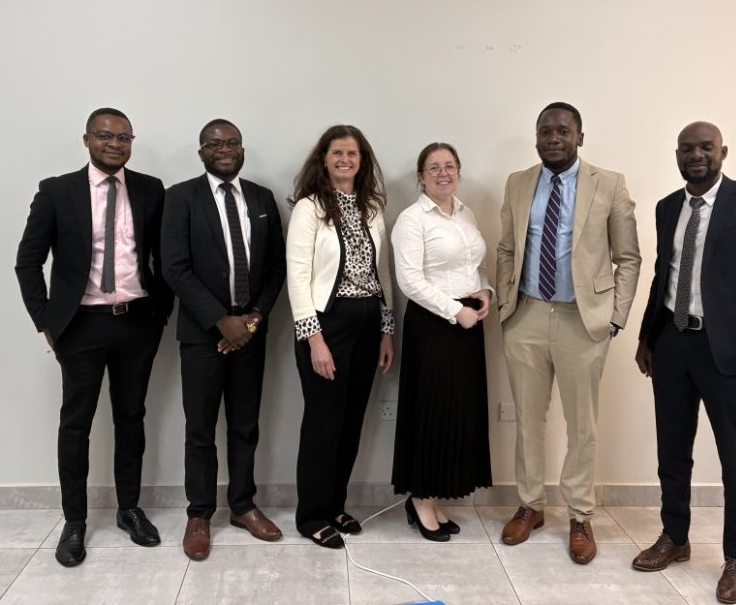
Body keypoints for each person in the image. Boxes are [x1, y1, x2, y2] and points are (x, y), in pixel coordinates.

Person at [631, 122, 736, 604]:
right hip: (672, 343)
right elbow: (663, 275)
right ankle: (674, 537)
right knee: (671, 450)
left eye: (705, 147)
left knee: (735, 459)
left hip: (730, 353)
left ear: (723, 152)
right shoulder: (667, 207)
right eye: (686, 148)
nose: (695, 155)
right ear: (677, 154)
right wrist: (646, 336)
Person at [15, 108, 173, 567]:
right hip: (80, 324)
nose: (115, 144)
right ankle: (75, 521)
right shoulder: (56, 191)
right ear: (86, 139)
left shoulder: (150, 189)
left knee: (132, 418)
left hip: (137, 322)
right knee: (76, 423)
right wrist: (46, 321)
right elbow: (28, 261)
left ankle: (129, 509)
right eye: (105, 135)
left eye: (124, 137)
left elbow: (163, 257)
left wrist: (159, 312)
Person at [496, 101, 640, 564]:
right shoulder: (518, 183)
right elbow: (506, 248)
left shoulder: (609, 183)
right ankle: (530, 505)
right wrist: (505, 305)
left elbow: (628, 257)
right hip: (527, 315)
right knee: (528, 418)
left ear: (580, 137)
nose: (553, 138)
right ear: (536, 137)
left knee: (582, 424)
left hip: (584, 319)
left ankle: (580, 514)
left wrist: (615, 316)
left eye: (562, 131)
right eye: (545, 131)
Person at [161, 119, 286, 562]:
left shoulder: (262, 198)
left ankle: (242, 505)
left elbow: (276, 267)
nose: (225, 149)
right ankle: (199, 513)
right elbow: (174, 267)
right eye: (215, 143)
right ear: (202, 152)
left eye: (233, 142)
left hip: (251, 332)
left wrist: (251, 320)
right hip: (202, 335)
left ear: (242, 149)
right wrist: (220, 321)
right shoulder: (180, 198)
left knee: (245, 424)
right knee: (199, 429)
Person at [286, 124, 395, 549]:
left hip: (368, 323)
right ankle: (310, 515)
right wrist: (314, 340)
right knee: (323, 424)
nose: (345, 160)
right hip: (326, 324)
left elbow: (382, 273)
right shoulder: (310, 208)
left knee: (351, 422)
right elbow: (298, 277)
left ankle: (335, 505)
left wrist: (387, 330)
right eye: (337, 153)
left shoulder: (372, 208)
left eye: (352, 153)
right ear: (324, 159)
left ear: (362, 161)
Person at [390, 142, 493, 542]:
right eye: (434, 168)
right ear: (421, 176)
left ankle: (434, 497)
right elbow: (409, 281)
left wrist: (485, 292)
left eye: (449, 166)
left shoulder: (466, 213)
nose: (443, 173)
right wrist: (455, 311)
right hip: (433, 325)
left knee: (457, 414)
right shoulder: (412, 219)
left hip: (469, 323)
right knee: (430, 414)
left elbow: (474, 265)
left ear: (459, 172)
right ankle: (421, 498)